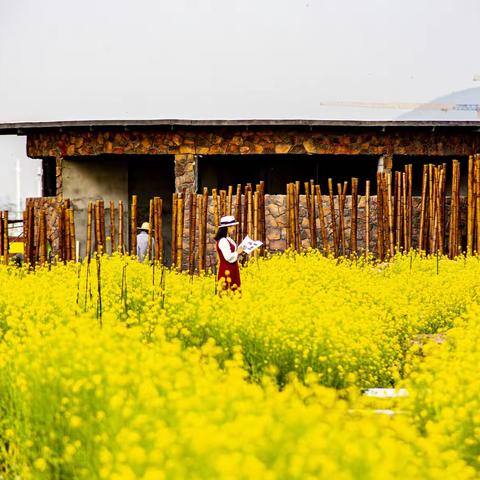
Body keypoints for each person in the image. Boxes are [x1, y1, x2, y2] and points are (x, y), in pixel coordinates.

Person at [215, 215, 243, 291]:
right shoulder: (223, 241)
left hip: (232, 269)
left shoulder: (228, 239)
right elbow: (228, 257)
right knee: (227, 292)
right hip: (227, 271)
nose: (234, 228)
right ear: (227, 227)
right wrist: (237, 252)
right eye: (232, 226)